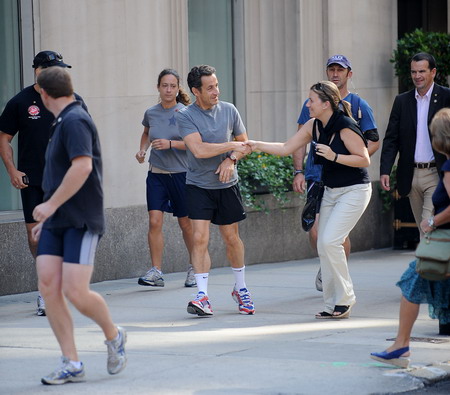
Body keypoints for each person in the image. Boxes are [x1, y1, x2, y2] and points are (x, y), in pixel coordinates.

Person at [32, 67, 126, 384]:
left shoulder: (75, 119)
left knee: (75, 290)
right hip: (56, 221)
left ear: (42, 93)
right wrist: (47, 217)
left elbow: (82, 167)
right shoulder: (61, 121)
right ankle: (71, 362)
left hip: (81, 219)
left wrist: (49, 205)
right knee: (48, 286)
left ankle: (114, 336)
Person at [246, 81, 371, 319]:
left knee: (331, 241)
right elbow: (285, 147)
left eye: (312, 100)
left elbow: (364, 159)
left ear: (326, 104)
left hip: (355, 190)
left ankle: (345, 299)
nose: (307, 104)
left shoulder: (345, 126)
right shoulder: (314, 125)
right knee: (324, 244)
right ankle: (331, 302)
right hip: (332, 191)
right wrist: (254, 146)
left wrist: (335, 156)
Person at [0, 50, 86, 316]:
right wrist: (12, 170)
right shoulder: (20, 102)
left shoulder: (74, 100)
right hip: (33, 181)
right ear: (38, 71)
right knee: (35, 235)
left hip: (65, 181)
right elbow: (4, 138)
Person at [371, 107, 450, 368]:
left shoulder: (449, 167)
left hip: (444, 241)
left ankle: (401, 344)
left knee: (411, 283)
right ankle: (400, 344)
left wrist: (431, 221)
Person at [292, 55, 379, 292]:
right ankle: (328, 266)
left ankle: (338, 278)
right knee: (316, 230)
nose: (335, 73)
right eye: (331, 69)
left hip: (346, 180)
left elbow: (371, 144)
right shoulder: (312, 107)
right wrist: (298, 171)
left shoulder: (358, 106)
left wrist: (347, 160)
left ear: (349, 74)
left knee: (337, 235)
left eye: (340, 70)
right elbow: (296, 142)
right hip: (316, 176)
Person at [176, 65, 253, 316]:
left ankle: (240, 288)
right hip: (198, 185)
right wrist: (232, 145)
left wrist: (231, 160)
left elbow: (246, 144)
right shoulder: (185, 115)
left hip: (227, 185)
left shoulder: (230, 110)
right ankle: (202, 295)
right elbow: (199, 150)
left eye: (217, 85)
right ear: (196, 91)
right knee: (199, 238)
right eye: (210, 88)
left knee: (232, 238)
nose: (216, 91)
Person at [135, 69, 196, 288]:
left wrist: (171, 144)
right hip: (156, 174)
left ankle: (194, 268)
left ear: (178, 88)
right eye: (164, 85)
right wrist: (142, 150)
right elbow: (146, 133)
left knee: (186, 224)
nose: (168, 90)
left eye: (172, 86)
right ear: (158, 88)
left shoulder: (187, 113)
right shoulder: (151, 112)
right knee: (154, 221)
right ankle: (156, 271)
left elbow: (195, 144)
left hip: (181, 175)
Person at [380, 52, 450, 239]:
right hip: (410, 175)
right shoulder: (402, 101)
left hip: (436, 173)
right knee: (424, 228)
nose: (417, 76)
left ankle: (423, 267)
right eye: (413, 72)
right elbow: (391, 138)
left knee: (427, 226)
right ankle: (432, 266)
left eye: (422, 71)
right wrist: (385, 170)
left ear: (433, 72)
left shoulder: (446, 96)